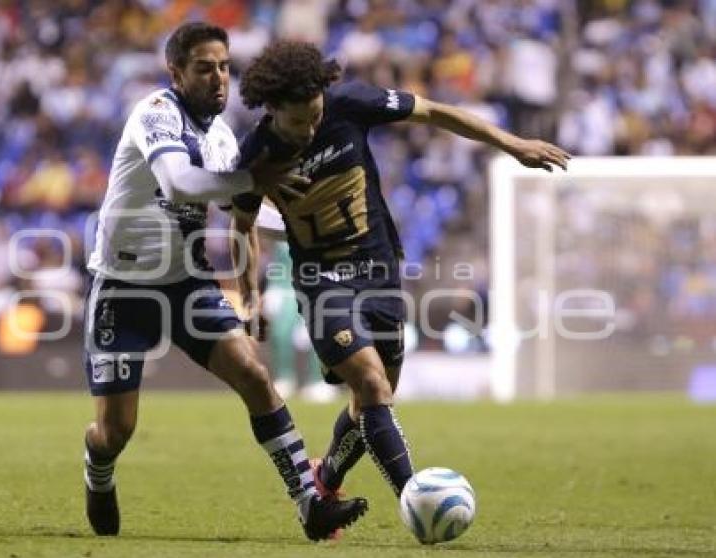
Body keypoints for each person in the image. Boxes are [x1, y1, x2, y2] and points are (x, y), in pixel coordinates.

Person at [231, 41, 569, 510]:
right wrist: (248, 294)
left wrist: (513, 145)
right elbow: (242, 225)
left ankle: (326, 475)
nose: (310, 128)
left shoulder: (349, 104)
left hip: (379, 267)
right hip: (322, 279)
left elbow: (432, 112)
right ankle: (419, 499)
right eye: (297, 122)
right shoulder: (256, 154)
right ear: (271, 111)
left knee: (374, 398)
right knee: (370, 383)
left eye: (314, 115)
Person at [82, 24, 367, 541]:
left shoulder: (220, 138)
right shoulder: (155, 114)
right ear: (175, 72)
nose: (218, 78)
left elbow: (243, 212)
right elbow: (179, 181)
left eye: (224, 67)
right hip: (123, 287)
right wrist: (255, 180)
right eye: (204, 67)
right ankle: (96, 468)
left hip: (189, 284)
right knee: (115, 431)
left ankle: (310, 503)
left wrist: (319, 236)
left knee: (255, 377)